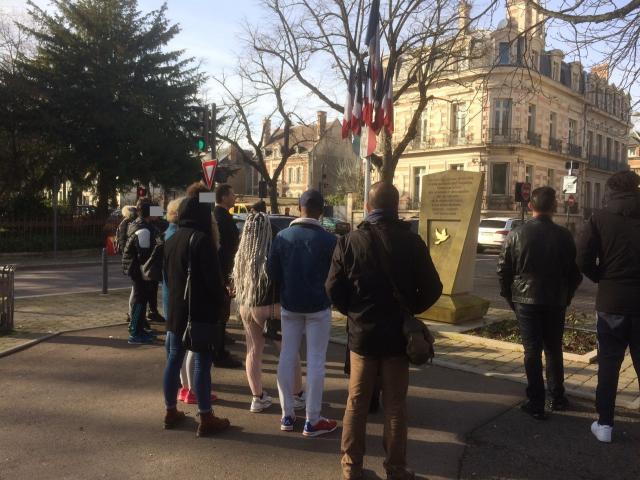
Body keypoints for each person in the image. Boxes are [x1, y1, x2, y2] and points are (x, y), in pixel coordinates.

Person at [326, 182, 442, 480]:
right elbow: (433, 288)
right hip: (397, 337)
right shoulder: (411, 242)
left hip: (362, 335)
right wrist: (409, 311)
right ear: (397, 207)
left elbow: (332, 288)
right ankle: (396, 468)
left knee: (357, 402)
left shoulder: (348, 241)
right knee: (395, 405)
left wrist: (352, 311)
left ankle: (351, 468)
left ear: (367, 206)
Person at [497, 186, 582, 420]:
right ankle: (557, 396)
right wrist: (566, 296)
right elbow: (575, 274)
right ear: (554, 207)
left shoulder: (516, 235)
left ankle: (536, 401)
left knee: (531, 350)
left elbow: (503, 270)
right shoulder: (564, 235)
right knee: (553, 348)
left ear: (531, 206)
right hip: (555, 299)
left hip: (526, 299)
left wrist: (510, 297)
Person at [576, 170, 640, 443]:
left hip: (611, 301)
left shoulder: (598, 219)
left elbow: (581, 259)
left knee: (609, 364)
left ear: (610, 190)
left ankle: (604, 424)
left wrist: (602, 276)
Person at [268, 189, 338, 437]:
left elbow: (272, 272)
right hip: (319, 306)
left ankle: (287, 415)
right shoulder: (330, 241)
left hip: (290, 304)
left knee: (287, 355)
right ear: (321, 211)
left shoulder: (283, 236)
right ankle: (313, 419)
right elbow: (336, 276)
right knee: (316, 361)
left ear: (299, 208)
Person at [162, 195, 230, 437]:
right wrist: (223, 300)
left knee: (173, 360)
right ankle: (205, 416)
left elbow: (167, 278)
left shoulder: (171, 238)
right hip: (198, 312)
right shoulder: (201, 240)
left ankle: (170, 411)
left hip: (175, 311)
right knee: (202, 363)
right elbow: (213, 282)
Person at [232, 212, 305, 413]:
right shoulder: (274, 248)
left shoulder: (243, 253)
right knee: (289, 351)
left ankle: (257, 397)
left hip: (248, 306)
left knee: (253, 351)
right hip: (273, 308)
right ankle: (297, 395)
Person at [122, 198, 163, 345]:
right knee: (139, 301)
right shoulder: (144, 229)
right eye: (155, 211)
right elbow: (144, 256)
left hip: (137, 270)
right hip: (140, 271)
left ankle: (140, 329)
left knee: (140, 300)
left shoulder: (139, 224)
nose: (158, 214)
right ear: (149, 213)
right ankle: (135, 332)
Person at [213, 184, 243, 369]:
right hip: (223, 273)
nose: (235, 197)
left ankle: (220, 342)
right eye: (232, 194)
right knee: (220, 312)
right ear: (224, 197)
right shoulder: (220, 217)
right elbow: (223, 249)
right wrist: (227, 277)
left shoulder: (223, 216)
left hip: (224, 272)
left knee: (223, 312)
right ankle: (219, 352)